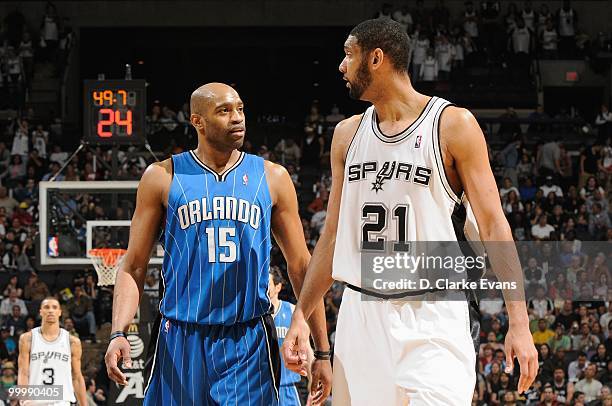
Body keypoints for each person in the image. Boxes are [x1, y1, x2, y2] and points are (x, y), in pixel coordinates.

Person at [282, 19, 537, 406]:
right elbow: (332, 236)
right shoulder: (347, 135)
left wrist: (519, 321)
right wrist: (301, 314)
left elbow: (493, 225)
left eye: (349, 54)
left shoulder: (452, 125)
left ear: (377, 58)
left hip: (434, 312)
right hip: (361, 314)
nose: (341, 66)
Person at [104, 83, 331, 405]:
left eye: (239, 108)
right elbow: (135, 263)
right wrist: (118, 332)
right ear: (197, 121)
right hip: (181, 336)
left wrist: (322, 350)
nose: (237, 118)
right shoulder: (162, 176)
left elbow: (301, 265)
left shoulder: (273, 177)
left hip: (247, 338)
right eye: (224, 111)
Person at [17, 297, 88, 405]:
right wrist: (23, 398)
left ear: (59, 312)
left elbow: (77, 377)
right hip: (35, 401)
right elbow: (23, 372)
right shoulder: (27, 339)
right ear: (40, 312)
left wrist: (84, 404)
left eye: (54, 307)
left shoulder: (72, 342)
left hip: (62, 401)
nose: (50, 310)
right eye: (46, 307)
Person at [269, 268, 309, 406]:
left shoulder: (292, 311)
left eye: (267, 284)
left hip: (288, 387)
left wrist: (313, 383)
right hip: (263, 388)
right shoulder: (255, 316)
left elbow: (307, 348)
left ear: (278, 287)